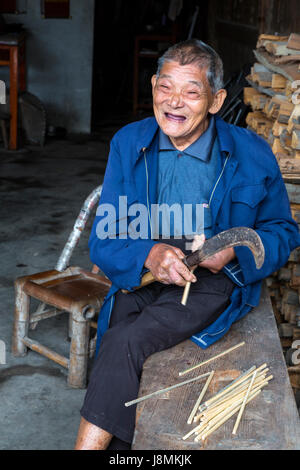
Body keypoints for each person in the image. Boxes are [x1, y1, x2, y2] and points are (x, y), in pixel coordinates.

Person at [74, 39, 300, 450]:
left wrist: (234, 251)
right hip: (143, 268)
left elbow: (283, 231)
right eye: (165, 87)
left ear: (216, 101)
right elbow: (105, 236)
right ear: (154, 86)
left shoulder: (251, 152)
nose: (174, 102)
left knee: (128, 341)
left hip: (211, 276)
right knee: (115, 333)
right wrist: (149, 252)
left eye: (191, 91)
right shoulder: (129, 142)